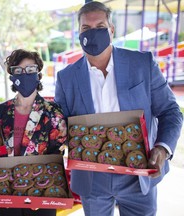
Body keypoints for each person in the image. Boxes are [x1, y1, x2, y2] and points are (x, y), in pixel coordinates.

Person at [54, 1, 183, 216]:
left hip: (138, 174)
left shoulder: (142, 64)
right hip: (92, 179)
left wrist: (163, 147)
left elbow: (170, 110)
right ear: (79, 33)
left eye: (100, 27)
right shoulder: (66, 78)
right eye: (86, 28)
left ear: (111, 30)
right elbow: (60, 128)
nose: (93, 33)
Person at [0, 49, 67, 216]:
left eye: (30, 69)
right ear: (12, 76)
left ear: (38, 74)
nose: (25, 74)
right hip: (6, 192)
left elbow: (58, 154)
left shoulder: (53, 113)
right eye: (18, 70)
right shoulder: (0, 112)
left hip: (42, 191)